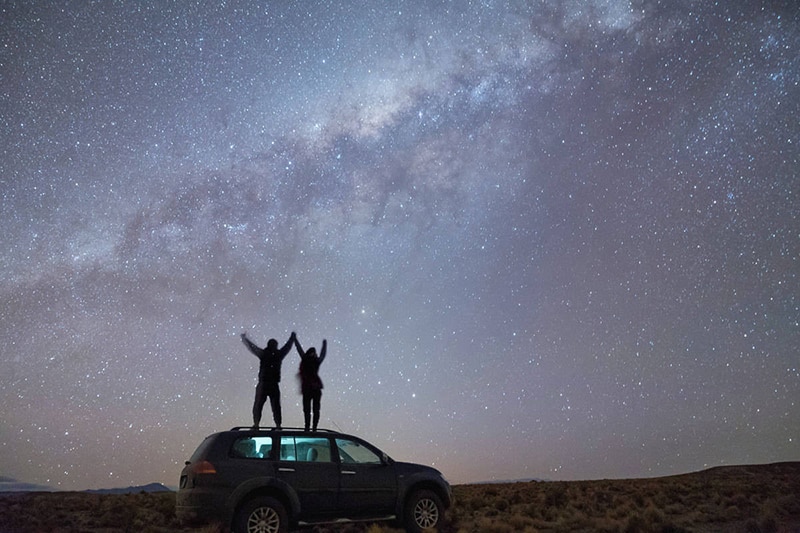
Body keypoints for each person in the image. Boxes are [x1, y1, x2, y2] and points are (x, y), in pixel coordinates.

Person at [241, 331, 296, 429]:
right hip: (272, 384)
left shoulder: (264, 354)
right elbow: (287, 347)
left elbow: (252, 347)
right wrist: (292, 338)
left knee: (259, 405)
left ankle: (257, 424)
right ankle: (277, 425)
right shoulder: (278, 355)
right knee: (275, 406)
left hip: (264, 383)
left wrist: (245, 339)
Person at [294, 336, 327, 432]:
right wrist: (324, 345)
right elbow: (322, 355)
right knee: (312, 409)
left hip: (309, 388)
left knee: (309, 409)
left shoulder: (306, 360)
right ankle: (312, 428)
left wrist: (295, 340)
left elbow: (299, 350)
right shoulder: (314, 361)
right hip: (313, 388)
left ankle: (309, 427)